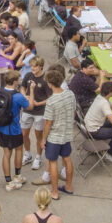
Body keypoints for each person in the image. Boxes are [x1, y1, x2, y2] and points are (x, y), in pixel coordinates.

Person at [0, 70, 33, 192]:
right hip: (14, 129)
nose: (20, 80)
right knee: (19, 149)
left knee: (6, 154)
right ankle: (17, 176)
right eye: (19, 79)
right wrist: (32, 91)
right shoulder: (18, 96)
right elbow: (30, 106)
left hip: (1, 128)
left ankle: (8, 182)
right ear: (14, 82)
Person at [39, 68, 75, 200]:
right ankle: (68, 186)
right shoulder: (70, 94)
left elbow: (48, 123)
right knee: (67, 159)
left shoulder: (51, 101)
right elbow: (73, 112)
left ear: (49, 83)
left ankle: (54, 192)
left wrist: (44, 139)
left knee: (52, 162)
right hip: (67, 133)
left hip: (54, 137)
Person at [84, 81, 112, 163]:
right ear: (110, 92)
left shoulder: (100, 97)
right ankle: (107, 153)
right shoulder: (104, 103)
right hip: (94, 130)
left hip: (89, 126)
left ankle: (105, 146)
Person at [20, 57, 50, 173]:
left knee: (38, 135)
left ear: (41, 66)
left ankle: (38, 157)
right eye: (32, 66)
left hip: (40, 112)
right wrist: (24, 96)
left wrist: (39, 103)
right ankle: (27, 154)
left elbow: (50, 97)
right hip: (27, 109)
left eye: (35, 66)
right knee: (24, 134)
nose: (33, 68)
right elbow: (23, 87)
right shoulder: (28, 76)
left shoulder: (46, 79)